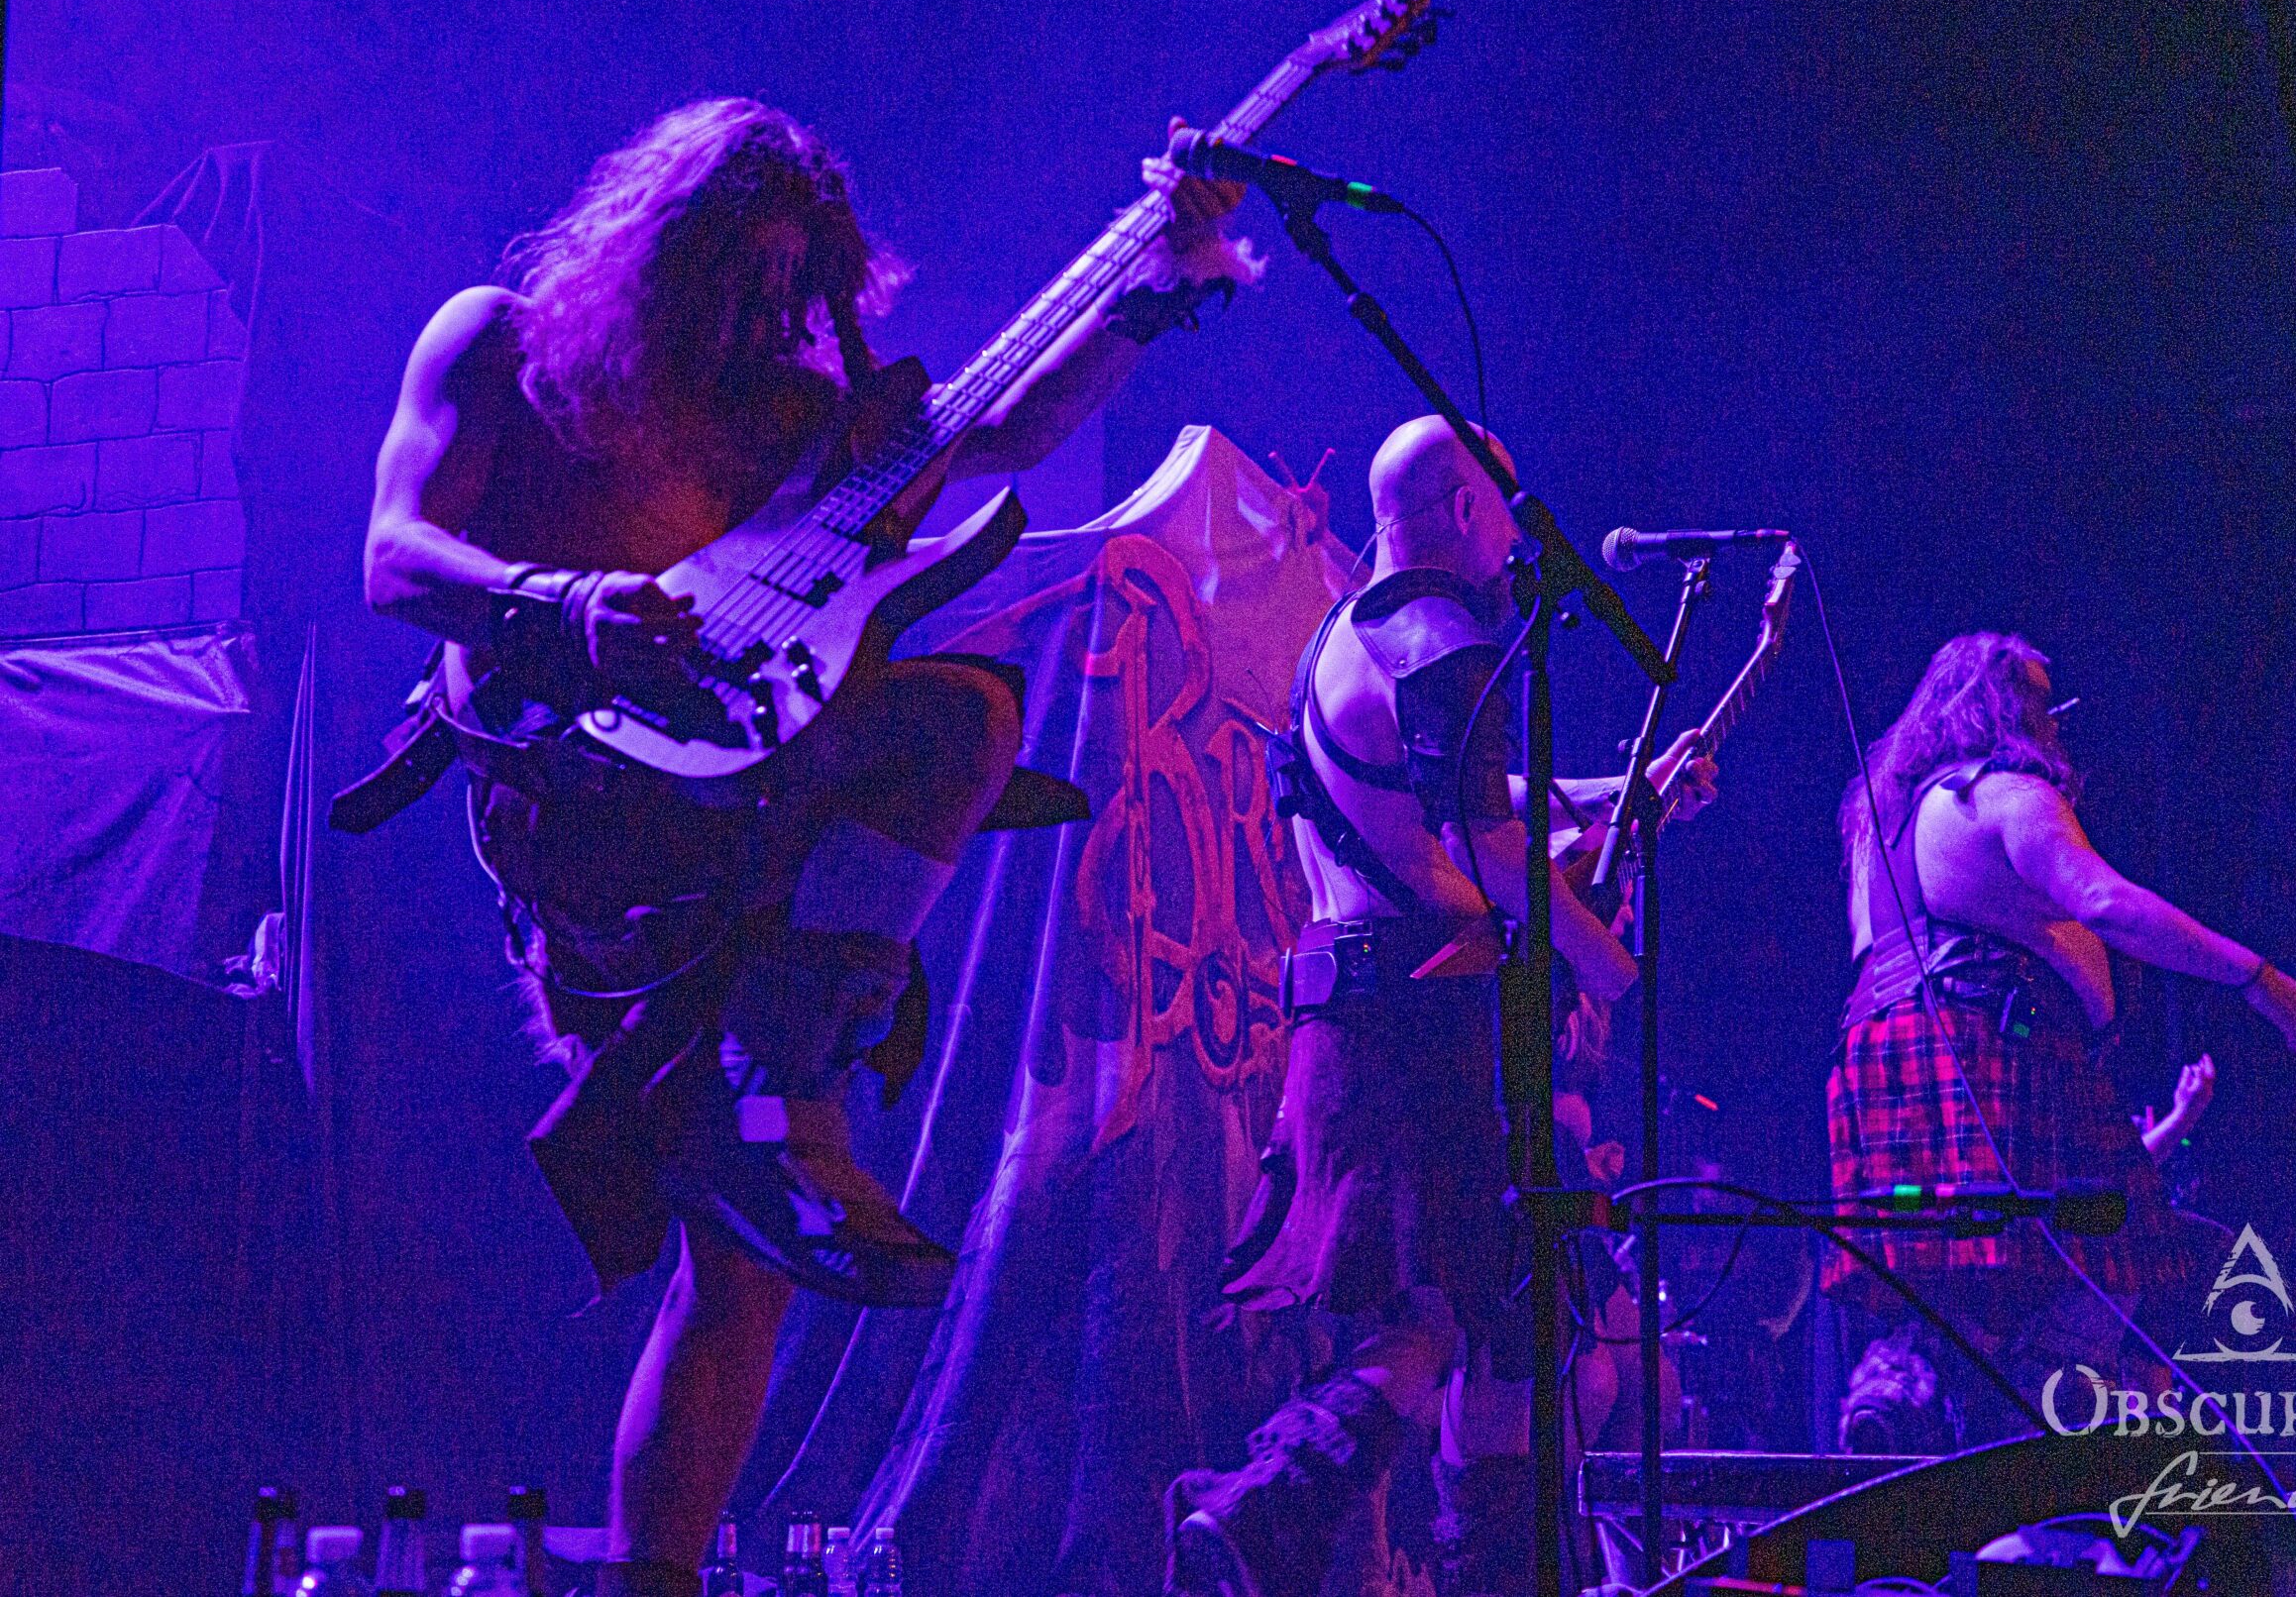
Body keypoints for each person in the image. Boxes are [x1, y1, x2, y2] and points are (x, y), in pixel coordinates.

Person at [357, 96, 1254, 1597]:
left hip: (742, 821)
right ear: (661, 252)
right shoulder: (498, 345)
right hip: (579, 826)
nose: (767, 319)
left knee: (959, 724)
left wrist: (1153, 286)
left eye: (798, 289)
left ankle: (786, 1070)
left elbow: (998, 427)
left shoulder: (784, 415)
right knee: (729, 1234)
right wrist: (566, 608)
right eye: (741, 281)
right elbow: (392, 555)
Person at [1165, 415, 1713, 1597]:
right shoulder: (1442, 636)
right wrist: (1606, 964)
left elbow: (1452, 789)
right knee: (1468, 1319)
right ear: (1468, 509)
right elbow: (1489, 841)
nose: (1516, 548)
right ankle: (1268, 1511)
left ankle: (1275, 1515)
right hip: (1417, 1024)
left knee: (1470, 1318)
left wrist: (1612, 790)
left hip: (1355, 1014)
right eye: (1506, 517)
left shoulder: (1347, 635)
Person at [1822, 632, 2296, 1451]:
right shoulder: (2001, 792)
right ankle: (2039, 1436)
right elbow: (2104, 901)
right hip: (1985, 1044)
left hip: (1897, 1056)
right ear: (1998, 707)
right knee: (2113, 1249)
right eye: (2039, 698)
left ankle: (1933, 1391)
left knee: (1979, 1272)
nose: (2055, 721)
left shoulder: (1886, 823)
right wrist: (2253, 975)